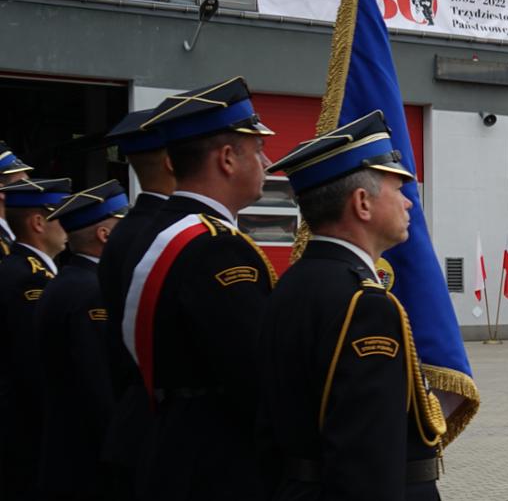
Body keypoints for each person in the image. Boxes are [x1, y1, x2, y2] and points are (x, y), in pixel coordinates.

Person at [258, 111, 447, 498]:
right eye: (398, 190)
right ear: (362, 203)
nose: (409, 204)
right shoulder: (366, 305)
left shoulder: (294, 281)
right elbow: (366, 458)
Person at [107, 78, 277, 501]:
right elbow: (256, 379)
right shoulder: (218, 250)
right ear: (226, 159)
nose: (268, 163)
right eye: (257, 151)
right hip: (217, 462)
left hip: (166, 441)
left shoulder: (154, 229)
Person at [96, 108, 172, 501]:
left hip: (133, 414)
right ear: (173, 160)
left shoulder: (127, 230)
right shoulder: (166, 232)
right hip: (162, 421)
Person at [38, 181, 126, 501]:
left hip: (65, 444)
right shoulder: (92, 291)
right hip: (88, 454)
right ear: (105, 235)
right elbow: (98, 379)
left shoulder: (66, 281)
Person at [0, 176, 72, 494]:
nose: (68, 225)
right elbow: (35, 363)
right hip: (26, 424)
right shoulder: (30, 280)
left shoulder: (15, 268)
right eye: (61, 216)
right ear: (39, 222)